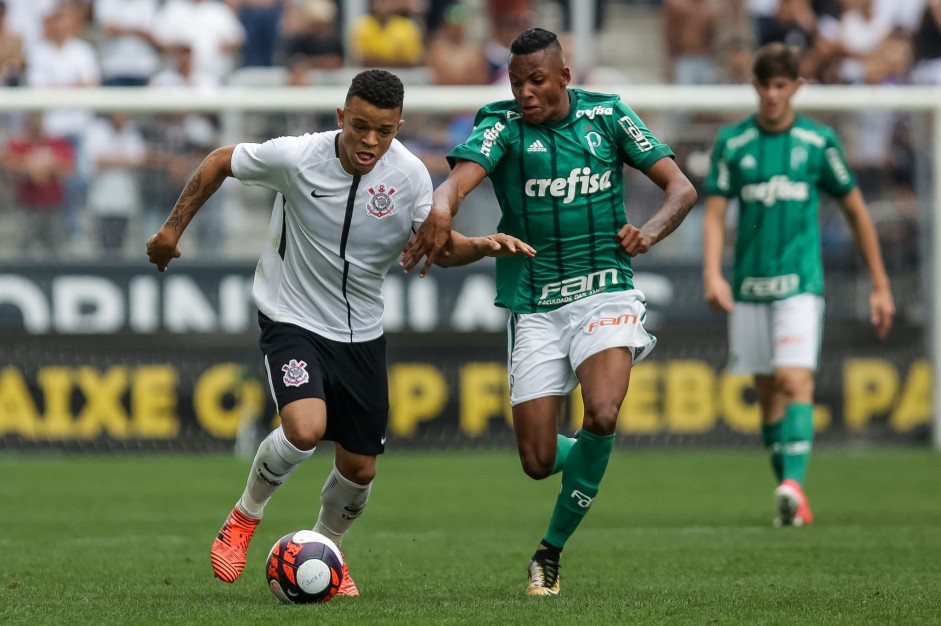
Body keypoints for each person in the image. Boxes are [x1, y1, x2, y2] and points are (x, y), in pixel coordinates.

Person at [145, 69, 533, 595]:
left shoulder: (412, 177)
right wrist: (171, 230)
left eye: (385, 130)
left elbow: (437, 249)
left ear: (398, 126)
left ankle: (328, 548)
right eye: (360, 126)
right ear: (340, 118)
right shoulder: (297, 156)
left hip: (363, 331)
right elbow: (219, 162)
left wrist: (481, 246)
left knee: (360, 468)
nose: (370, 141)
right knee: (304, 430)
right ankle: (244, 516)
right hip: (292, 318)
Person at [403, 28, 698, 596]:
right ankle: (593, 456)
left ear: (564, 76)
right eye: (516, 82)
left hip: (605, 289)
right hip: (536, 301)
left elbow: (680, 188)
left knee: (604, 412)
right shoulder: (502, 124)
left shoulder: (608, 116)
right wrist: (441, 203)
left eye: (536, 80)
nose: (525, 93)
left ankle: (550, 552)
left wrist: (652, 230)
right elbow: (458, 182)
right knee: (538, 460)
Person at [702, 42, 895, 528]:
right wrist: (711, 273)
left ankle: (792, 484)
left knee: (794, 380)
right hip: (749, 287)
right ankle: (790, 496)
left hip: (799, 285)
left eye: (781, 85)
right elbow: (716, 212)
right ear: (755, 87)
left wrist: (879, 283)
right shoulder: (734, 143)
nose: (772, 94)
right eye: (764, 85)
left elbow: (855, 209)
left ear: (796, 88)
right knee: (767, 394)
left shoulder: (818, 142)